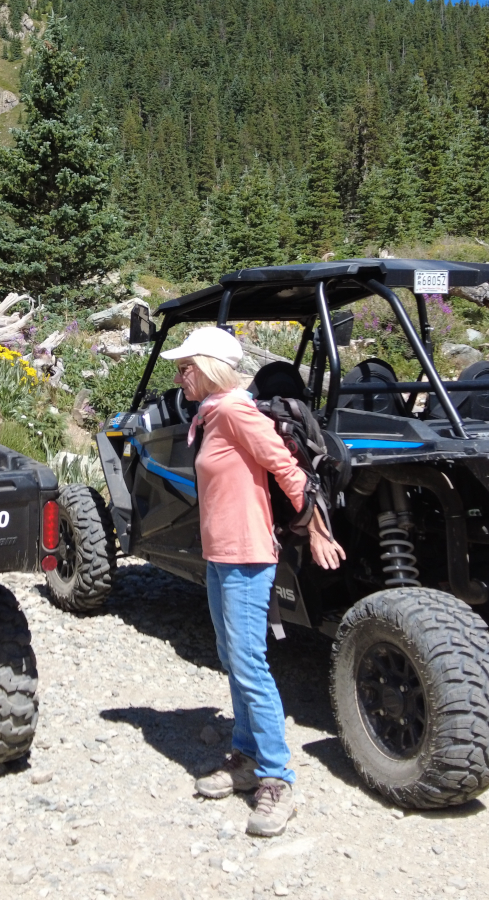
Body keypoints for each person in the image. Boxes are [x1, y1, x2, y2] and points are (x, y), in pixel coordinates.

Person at [169, 325, 344, 837]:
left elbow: (287, 468)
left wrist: (315, 530)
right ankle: (246, 758)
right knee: (233, 658)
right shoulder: (209, 414)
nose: (179, 376)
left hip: (247, 554)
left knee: (249, 663)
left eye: (186, 368)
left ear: (209, 370)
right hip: (221, 555)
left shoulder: (233, 410)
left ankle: (276, 778)